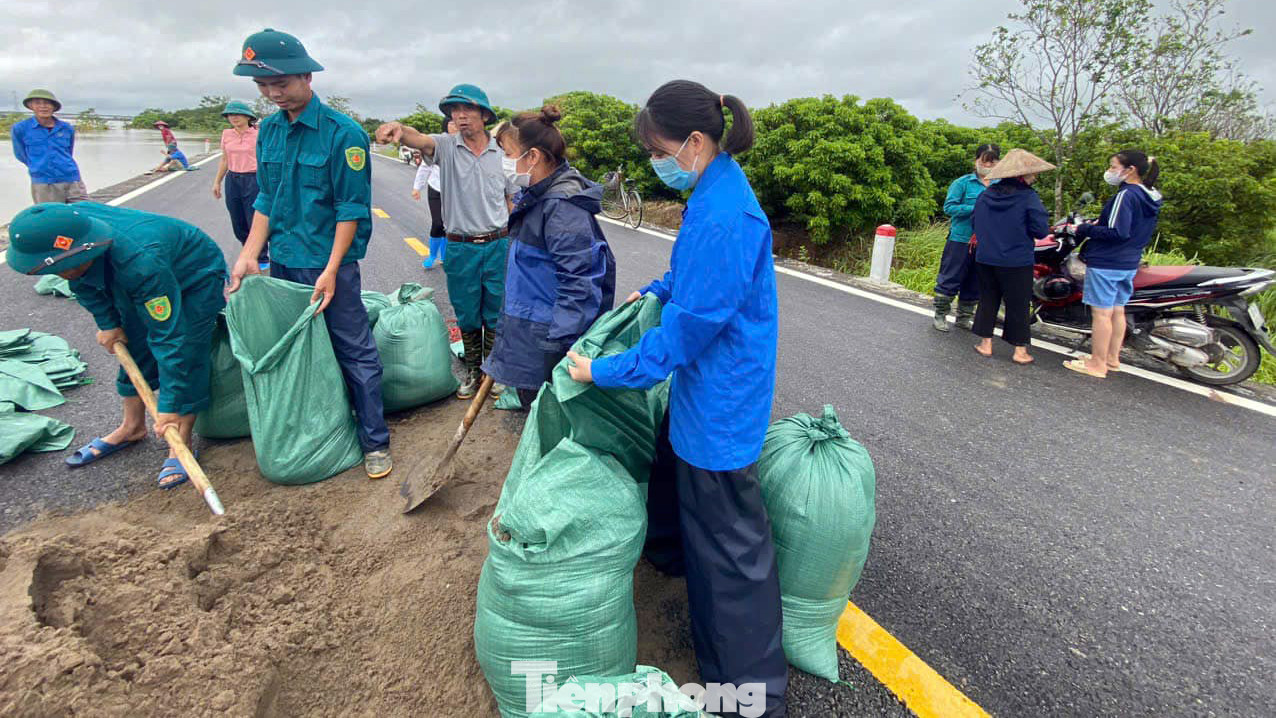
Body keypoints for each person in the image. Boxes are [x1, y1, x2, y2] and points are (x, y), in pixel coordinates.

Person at [563, 80, 786, 717]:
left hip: (721, 399)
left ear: (693, 142)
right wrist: (655, 288)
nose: (656, 164)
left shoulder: (724, 215)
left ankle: (753, 698)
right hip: (706, 390)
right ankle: (678, 573)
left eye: (659, 151)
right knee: (691, 510)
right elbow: (693, 278)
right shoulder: (716, 188)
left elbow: (685, 334)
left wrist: (603, 372)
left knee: (733, 560)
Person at [228, 28, 392, 479]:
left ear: (306, 76)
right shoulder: (269, 134)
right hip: (282, 260)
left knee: (353, 349)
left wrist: (333, 269)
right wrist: (249, 255)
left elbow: (350, 209)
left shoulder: (344, 134)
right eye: (262, 86)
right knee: (298, 353)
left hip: (328, 265)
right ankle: (316, 432)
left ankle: (374, 440)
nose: (272, 93)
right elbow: (266, 198)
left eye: (280, 83)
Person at [5, 202, 227, 489]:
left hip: (193, 274)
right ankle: (132, 427)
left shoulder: (141, 263)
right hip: (130, 268)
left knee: (186, 346)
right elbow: (82, 282)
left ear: (84, 252)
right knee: (133, 343)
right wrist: (108, 323)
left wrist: (169, 406)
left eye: (64, 268)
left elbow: (169, 339)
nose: (60, 275)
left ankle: (179, 440)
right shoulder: (70, 233)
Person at [376, 85, 515, 399]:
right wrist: (399, 130)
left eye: (467, 110)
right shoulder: (446, 146)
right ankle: (471, 370)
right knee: (467, 313)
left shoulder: (501, 152)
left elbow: (509, 198)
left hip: (497, 244)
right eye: (454, 111)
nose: (460, 116)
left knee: (496, 311)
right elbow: (418, 138)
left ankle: (492, 372)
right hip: (460, 246)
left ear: (484, 114)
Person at [483, 105, 616, 408]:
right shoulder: (536, 196)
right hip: (532, 331)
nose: (504, 162)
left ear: (533, 157)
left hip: (548, 340)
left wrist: (556, 350)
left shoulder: (561, 208)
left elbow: (579, 285)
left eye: (507, 153)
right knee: (537, 409)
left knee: (550, 414)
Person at [1064, 151, 1163, 378]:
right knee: (1118, 310)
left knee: (1101, 314)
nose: (1110, 170)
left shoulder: (1126, 195)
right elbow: (1130, 226)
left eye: (1113, 166)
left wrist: (1085, 229)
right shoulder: (1152, 195)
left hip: (1108, 260)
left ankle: (1097, 364)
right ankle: (1111, 358)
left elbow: (1118, 232)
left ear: (1129, 170)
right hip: (1129, 261)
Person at [970, 148, 1056, 365]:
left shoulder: (986, 194)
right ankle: (1019, 351)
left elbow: (975, 223)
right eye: (1032, 174)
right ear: (1021, 175)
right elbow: (1040, 230)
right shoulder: (1028, 197)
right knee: (1017, 304)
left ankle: (985, 344)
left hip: (987, 257)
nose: (1034, 177)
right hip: (1016, 259)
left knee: (988, 299)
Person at [933, 143, 1000, 331]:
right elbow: (949, 208)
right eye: (984, 161)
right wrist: (977, 208)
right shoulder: (963, 183)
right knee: (950, 277)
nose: (987, 165)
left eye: (992, 161)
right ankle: (940, 315)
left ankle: (963, 317)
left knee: (976, 281)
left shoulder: (1001, 185)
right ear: (976, 161)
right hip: (961, 239)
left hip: (987, 242)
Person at [212, 100, 268, 271]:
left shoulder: (259, 134)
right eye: (230, 115)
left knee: (254, 219)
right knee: (238, 220)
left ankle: (261, 256)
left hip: (254, 179)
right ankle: (248, 250)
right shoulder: (227, 134)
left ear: (247, 116)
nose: (233, 118)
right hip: (233, 179)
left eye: (237, 114)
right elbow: (224, 159)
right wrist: (217, 181)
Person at [11, 89, 88, 204]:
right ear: (31, 106)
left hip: (71, 178)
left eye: (47, 103)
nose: (43, 107)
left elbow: (68, 151)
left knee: (82, 212)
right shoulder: (21, 129)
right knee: (52, 218)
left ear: (54, 107)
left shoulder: (66, 128)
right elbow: (20, 154)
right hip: (44, 182)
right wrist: (37, 165)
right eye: (38, 103)